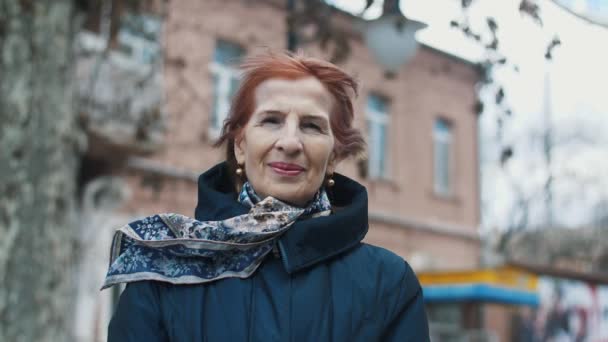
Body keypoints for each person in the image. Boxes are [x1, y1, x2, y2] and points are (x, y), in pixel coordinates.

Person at [105, 52, 430, 341]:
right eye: (271, 121)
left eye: (312, 126)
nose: (290, 142)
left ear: (333, 157)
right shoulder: (163, 268)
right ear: (241, 146)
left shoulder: (387, 282)